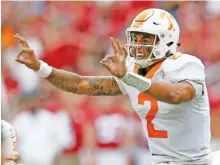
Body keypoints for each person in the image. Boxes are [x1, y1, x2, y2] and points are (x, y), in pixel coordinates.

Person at [14, 8, 217, 165]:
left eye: (146, 39)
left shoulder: (186, 65)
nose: (138, 45)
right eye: (135, 38)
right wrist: (40, 67)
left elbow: (176, 94)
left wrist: (129, 77)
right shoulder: (133, 71)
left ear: (167, 40)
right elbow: (81, 84)